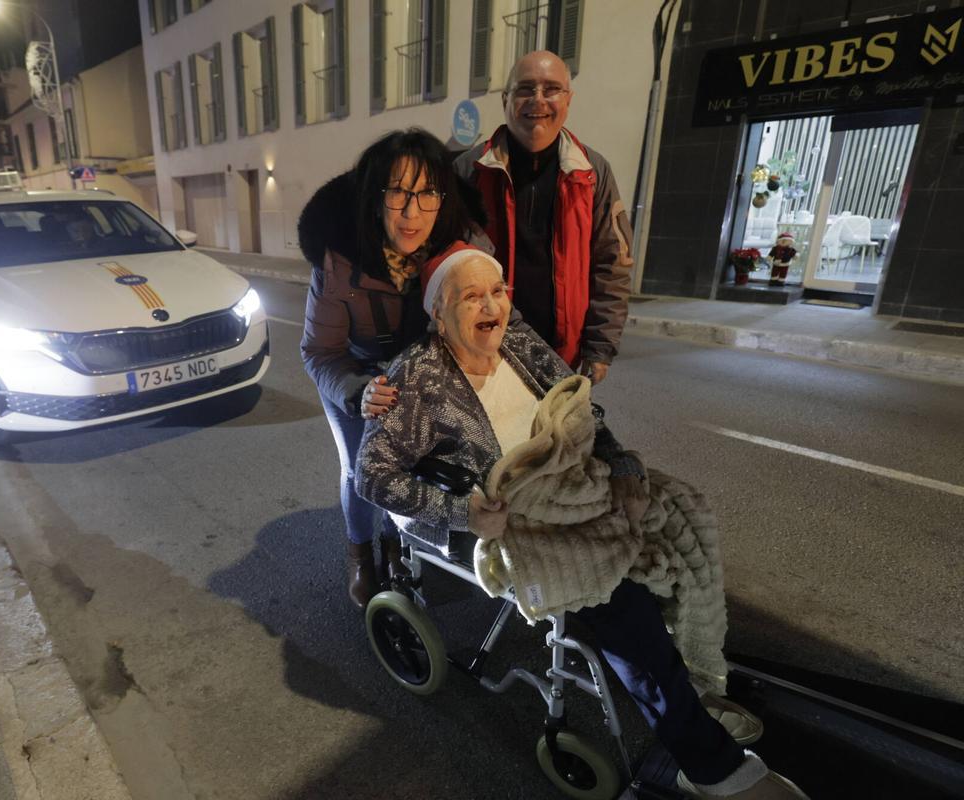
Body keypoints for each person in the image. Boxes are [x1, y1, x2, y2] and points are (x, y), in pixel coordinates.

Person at [355, 246, 808, 800]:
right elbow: (372, 477)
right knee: (619, 597)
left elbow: (583, 410)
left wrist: (619, 468)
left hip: (581, 481)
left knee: (683, 527)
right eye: (470, 296)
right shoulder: (416, 378)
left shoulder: (519, 342)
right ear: (439, 315)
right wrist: (462, 511)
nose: (491, 304)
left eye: (497, 291)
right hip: (519, 516)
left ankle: (694, 684)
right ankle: (708, 763)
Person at [299, 128, 485, 609]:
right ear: (375, 197)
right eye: (398, 192)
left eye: (426, 193)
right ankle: (362, 552)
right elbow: (320, 351)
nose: (411, 211)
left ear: (442, 200)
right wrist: (356, 391)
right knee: (360, 464)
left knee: (420, 460)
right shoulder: (339, 260)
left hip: (421, 377)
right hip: (355, 373)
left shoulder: (461, 254)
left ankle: (401, 541)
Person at [455, 51, 633, 385]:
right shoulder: (469, 171)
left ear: (568, 99)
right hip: (484, 351)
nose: (538, 100)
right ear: (506, 98)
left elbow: (613, 264)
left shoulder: (592, 173)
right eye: (525, 89)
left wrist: (600, 346)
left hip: (561, 355)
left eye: (551, 89)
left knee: (554, 437)